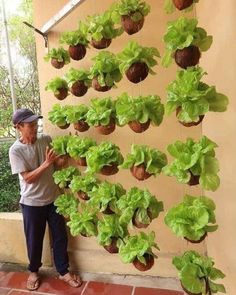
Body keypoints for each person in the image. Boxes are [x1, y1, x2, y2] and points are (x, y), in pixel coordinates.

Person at [9, 108, 82, 291]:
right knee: (34, 240)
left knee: (60, 237)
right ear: (19, 127)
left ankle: (63, 271)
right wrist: (46, 164)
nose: (35, 128)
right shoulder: (15, 150)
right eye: (30, 125)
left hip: (54, 200)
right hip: (31, 203)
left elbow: (57, 164)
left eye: (36, 124)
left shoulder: (45, 140)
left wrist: (67, 152)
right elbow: (28, 178)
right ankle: (34, 271)